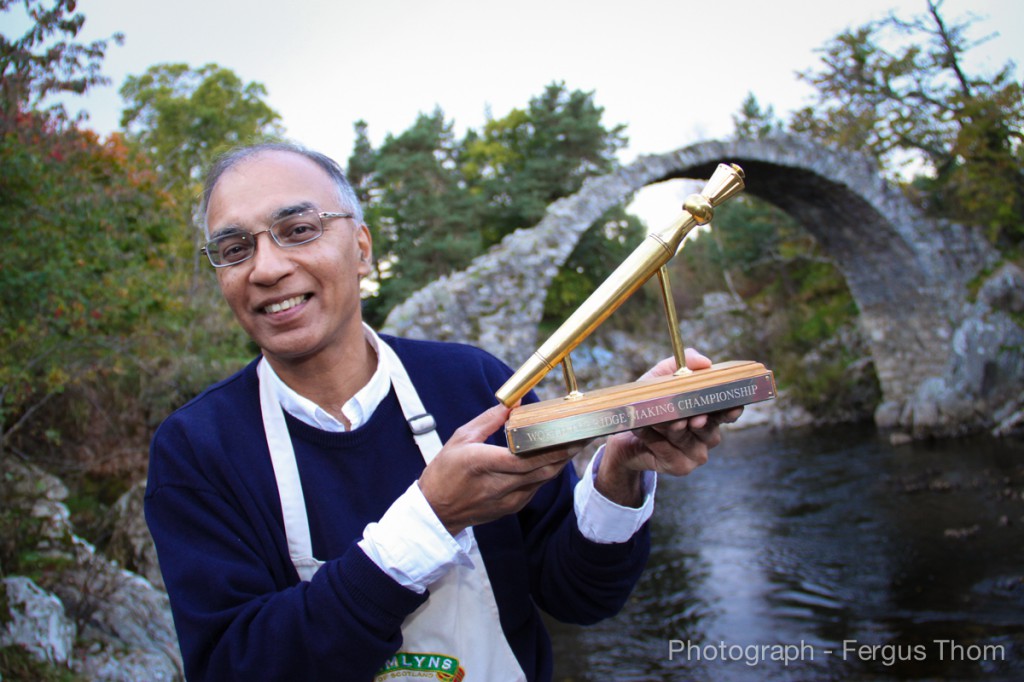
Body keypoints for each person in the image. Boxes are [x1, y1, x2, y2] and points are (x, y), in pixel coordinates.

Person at [145, 142, 742, 682]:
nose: (267, 267)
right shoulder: (196, 450)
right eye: (233, 248)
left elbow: (578, 595)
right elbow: (232, 665)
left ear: (360, 248)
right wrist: (431, 520)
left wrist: (620, 471)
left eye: (297, 229)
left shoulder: (472, 382)